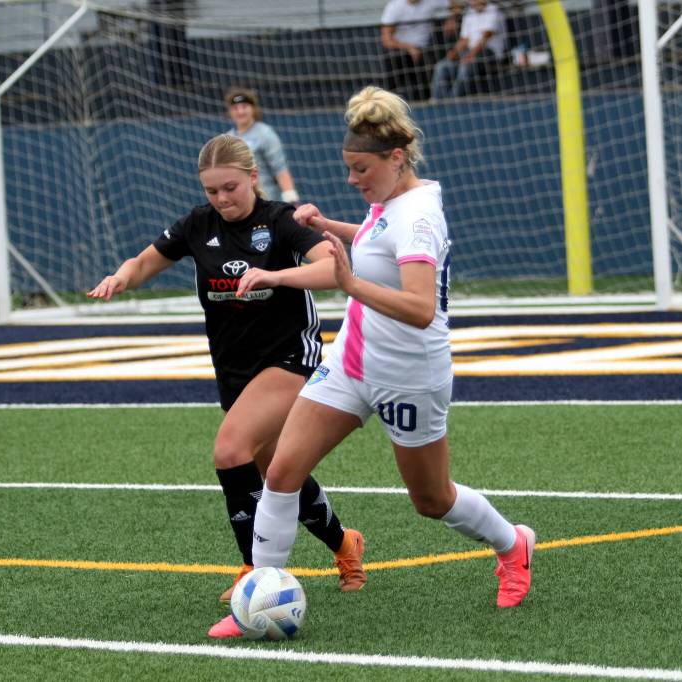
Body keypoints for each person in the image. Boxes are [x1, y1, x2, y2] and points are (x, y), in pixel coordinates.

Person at [208, 86, 536, 638]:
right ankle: (256, 596)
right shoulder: (392, 205)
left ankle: (513, 544)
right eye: (350, 169)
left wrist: (349, 283)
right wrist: (332, 228)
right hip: (352, 363)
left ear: (395, 160)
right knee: (282, 471)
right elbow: (378, 240)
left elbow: (420, 307)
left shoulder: (418, 218)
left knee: (432, 500)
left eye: (361, 170)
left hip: (409, 376)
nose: (353, 180)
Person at [87, 133, 366, 639]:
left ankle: (254, 574)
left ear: (253, 178)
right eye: (213, 190)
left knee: (230, 448)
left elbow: (333, 266)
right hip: (234, 370)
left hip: (289, 358)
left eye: (231, 188)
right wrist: (121, 277)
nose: (222, 199)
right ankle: (345, 544)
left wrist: (277, 276)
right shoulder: (198, 224)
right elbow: (146, 261)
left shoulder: (280, 221)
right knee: (278, 469)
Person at [224, 87, 301, 205]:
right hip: (240, 203)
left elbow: (280, 169)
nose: (240, 112)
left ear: (253, 109)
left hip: (266, 201)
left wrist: (292, 200)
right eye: (235, 108)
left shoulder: (265, 133)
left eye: (244, 107)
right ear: (230, 112)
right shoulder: (227, 139)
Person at [430, 0, 507, 99]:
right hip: (469, 52)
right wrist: (454, 52)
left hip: (490, 52)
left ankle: (452, 100)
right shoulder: (469, 12)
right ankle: (436, 100)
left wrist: (470, 56)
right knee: (441, 66)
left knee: (465, 66)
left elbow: (485, 37)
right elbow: (464, 39)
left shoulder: (494, 10)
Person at [380, 0, 450, 102]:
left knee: (427, 66)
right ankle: (389, 102)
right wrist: (409, 47)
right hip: (400, 49)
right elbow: (386, 40)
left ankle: (426, 101)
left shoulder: (431, 2)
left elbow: (455, 4)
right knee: (393, 61)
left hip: (424, 49)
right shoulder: (394, 6)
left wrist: (452, 18)